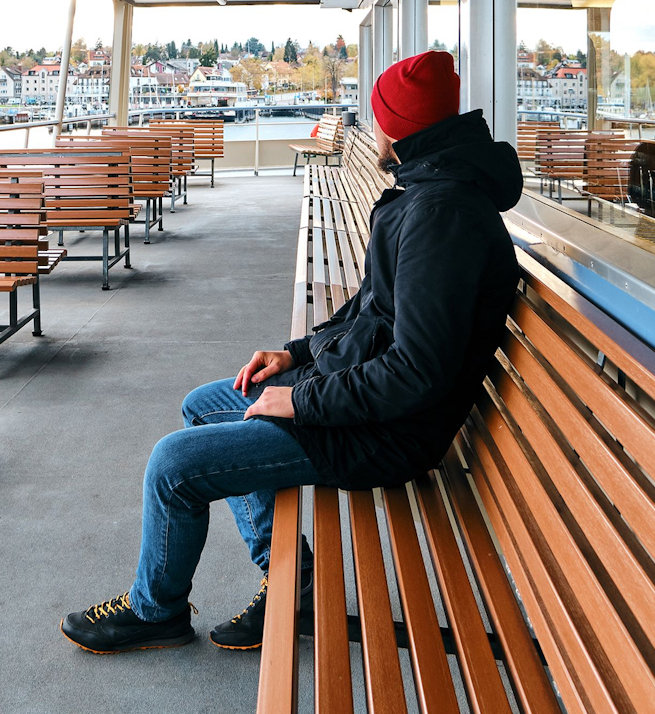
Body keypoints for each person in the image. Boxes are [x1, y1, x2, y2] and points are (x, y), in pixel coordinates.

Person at [59, 50, 524, 654]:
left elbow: (416, 372)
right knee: (207, 403)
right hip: (369, 404)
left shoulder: (440, 215)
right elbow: (371, 310)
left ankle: (157, 612)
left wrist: (301, 401)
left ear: (398, 127)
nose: (371, 126)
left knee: (173, 466)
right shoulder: (431, 192)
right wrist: (296, 356)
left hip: (389, 432)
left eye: (377, 114)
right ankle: (290, 581)